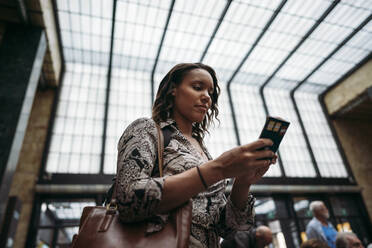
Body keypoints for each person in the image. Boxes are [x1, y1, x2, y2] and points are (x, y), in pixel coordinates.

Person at [115, 63, 277, 247]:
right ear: (173, 90)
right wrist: (218, 168)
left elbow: (228, 228)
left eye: (211, 93)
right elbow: (127, 197)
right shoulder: (147, 129)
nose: (207, 97)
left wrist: (243, 182)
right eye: (198, 88)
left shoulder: (203, 150)